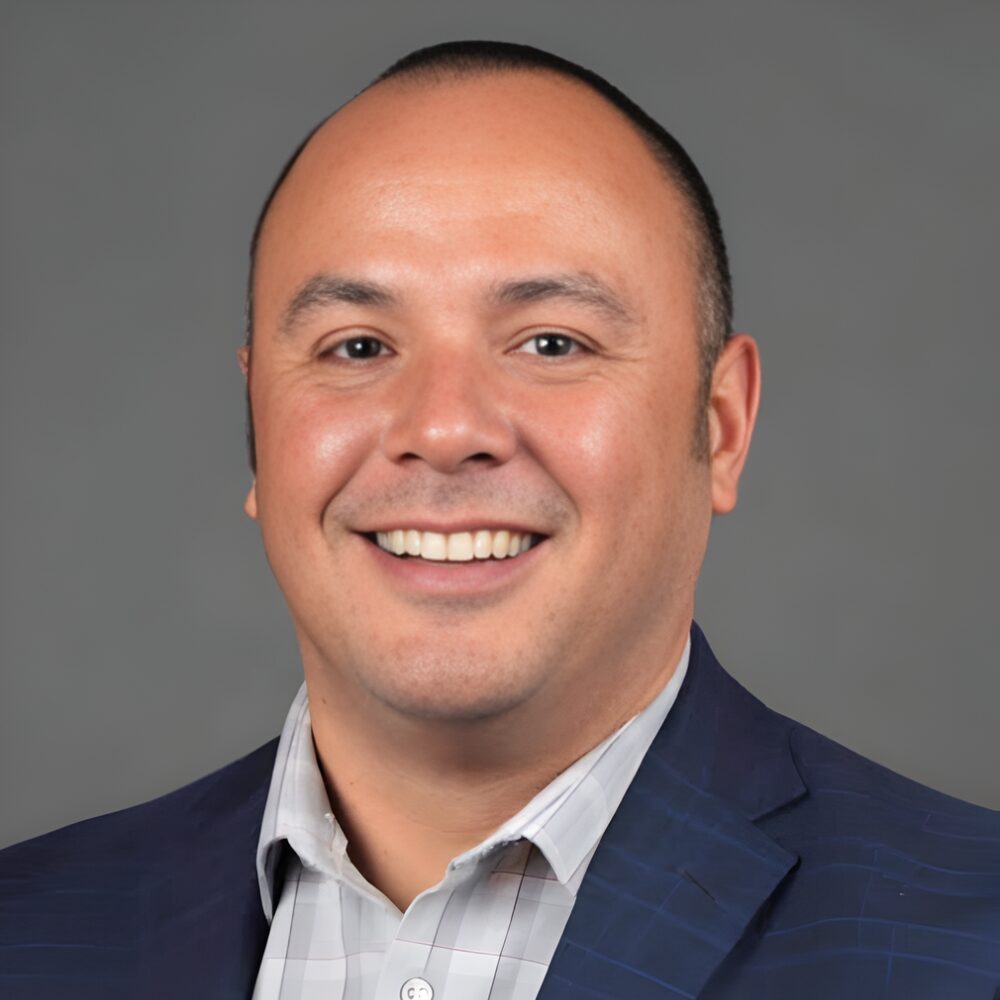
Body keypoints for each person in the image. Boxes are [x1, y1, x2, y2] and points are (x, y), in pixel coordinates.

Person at [1, 39, 998, 1000]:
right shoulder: (28, 932)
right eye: (357, 347)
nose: (443, 429)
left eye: (551, 342)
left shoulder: (970, 945)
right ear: (258, 423)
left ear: (721, 424)